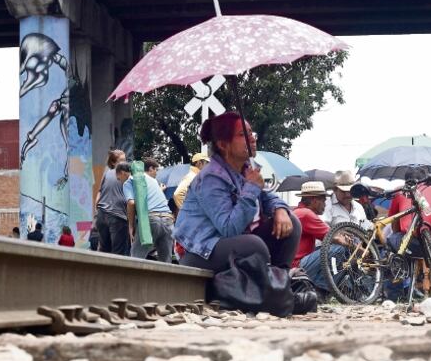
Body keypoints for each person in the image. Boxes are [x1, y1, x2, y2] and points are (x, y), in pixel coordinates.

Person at [175, 112, 301, 275]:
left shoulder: (245, 169)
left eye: (251, 133)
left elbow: (266, 197)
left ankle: (280, 281)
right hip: (202, 251)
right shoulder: (210, 179)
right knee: (253, 246)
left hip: (236, 242)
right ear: (223, 144)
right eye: (243, 135)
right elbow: (229, 228)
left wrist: (280, 210)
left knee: (291, 223)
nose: (252, 139)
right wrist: (251, 188)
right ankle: (268, 285)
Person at [387, 167, 431, 278]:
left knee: (391, 241)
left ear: (407, 182)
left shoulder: (400, 193)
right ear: (426, 179)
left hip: (411, 246)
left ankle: (396, 290)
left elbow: (395, 226)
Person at [123, 158, 175, 263]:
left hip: (151, 219)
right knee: (165, 262)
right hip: (168, 220)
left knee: (136, 258)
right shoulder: (154, 181)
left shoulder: (130, 181)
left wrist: (131, 226)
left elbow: (131, 203)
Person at [290, 181, 335, 296]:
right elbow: (334, 236)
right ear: (315, 200)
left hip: (292, 265)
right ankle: (320, 290)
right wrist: (359, 250)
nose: (325, 204)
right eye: (323, 200)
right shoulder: (306, 214)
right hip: (297, 265)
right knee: (338, 248)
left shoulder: (297, 212)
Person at [95, 149, 131, 256]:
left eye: (125, 160)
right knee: (119, 253)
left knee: (104, 251)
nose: (124, 163)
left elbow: (99, 195)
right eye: (121, 160)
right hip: (117, 216)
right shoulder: (126, 175)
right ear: (113, 163)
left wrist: (98, 211)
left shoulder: (107, 174)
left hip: (102, 215)